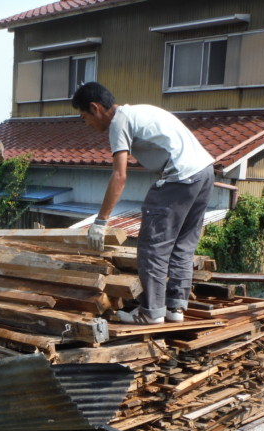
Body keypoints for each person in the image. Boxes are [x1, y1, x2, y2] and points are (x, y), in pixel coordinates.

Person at [71, 82, 215, 325]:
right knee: (183, 244)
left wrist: (101, 221)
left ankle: (151, 312)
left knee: (153, 248)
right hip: (205, 173)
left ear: (95, 108)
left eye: (85, 117)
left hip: (180, 177)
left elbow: (119, 175)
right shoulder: (140, 110)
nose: (87, 124)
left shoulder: (118, 121)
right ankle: (175, 308)